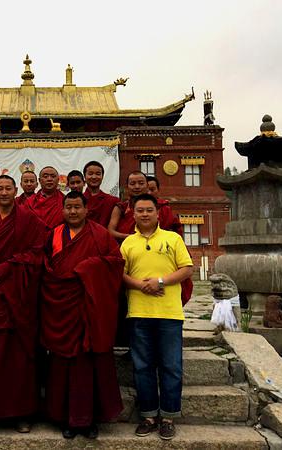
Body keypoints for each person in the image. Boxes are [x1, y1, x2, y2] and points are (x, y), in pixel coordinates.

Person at [41, 191, 124, 439]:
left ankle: (89, 420)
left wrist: (88, 268)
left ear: (86, 209)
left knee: (90, 365)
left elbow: (115, 264)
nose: (73, 212)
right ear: (62, 210)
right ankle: (65, 417)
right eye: (68, 207)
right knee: (62, 365)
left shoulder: (100, 234)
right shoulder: (53, 234)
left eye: (77, 207)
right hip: (62, 310)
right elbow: (46, 269)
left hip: (90, 310)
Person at [0, 175, 47, 433]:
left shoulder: (28, 219)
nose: (3, 192)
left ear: (16, 191)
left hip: (19, 296)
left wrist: (10, 265)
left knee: (19, 358)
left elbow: (38, 252)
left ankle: (21, 414)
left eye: (8, 188)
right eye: (0, 188)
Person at [120, 194, 193, 440]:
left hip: (169, 314)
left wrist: (160, 281)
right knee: (143, 367)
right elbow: (120, 274)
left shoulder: (173, 239)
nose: (144, 214)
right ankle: (149, 415)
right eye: (139, 210)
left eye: (149, 210)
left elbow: (186, 268)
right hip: (139, 313)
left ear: (157, 213)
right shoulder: (128, 243)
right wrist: (141, 286)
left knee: (171, 367)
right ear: (133, 213)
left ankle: (169, 416)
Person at [109, 172, 181, 241]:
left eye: (141, 183)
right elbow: (111, 232)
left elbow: (174, 232)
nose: (137, 187)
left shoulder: (161, 207)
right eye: (132, 184)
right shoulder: (122, 207)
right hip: (128, 247)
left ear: (147, 186)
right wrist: (134, 238)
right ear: (127, 187)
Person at [82, 161, 120, 228]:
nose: (94, 177)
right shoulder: (78, 201)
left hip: (105, 237)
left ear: (102, 176)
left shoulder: (113, 201)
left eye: (98, 174)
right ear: (84, 176)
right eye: (90, 174)